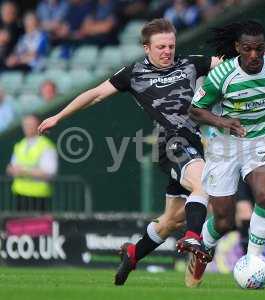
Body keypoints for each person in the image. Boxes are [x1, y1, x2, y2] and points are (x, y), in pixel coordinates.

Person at [37, 18, 222, 287]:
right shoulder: (133, 73)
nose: (167, 51)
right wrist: (59, 116)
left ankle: (133, 254)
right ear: (147, 48)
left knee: (170, 221)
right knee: (204, 182)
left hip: (193, 142)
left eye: (171, 45)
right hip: (170, 143)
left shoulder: (191, 63)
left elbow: (234, 64)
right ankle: (194, 237)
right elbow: (96, 94)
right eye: (161, 46)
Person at [187, 20, 265, 285]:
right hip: (224, 146)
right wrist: (222, 122)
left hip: (258, 141)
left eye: (260, 49)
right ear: (237, 47)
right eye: (248, 49)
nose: (254, 55)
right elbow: (195, 110)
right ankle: (202, 249)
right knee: (224, 221)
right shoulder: (223, 75)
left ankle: (253, 259)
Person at [6, 114, 58, 212]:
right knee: (20, 225)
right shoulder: (20, 144)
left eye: (30, 124)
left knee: (37, 226)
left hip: (39, 196)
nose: (27, 127)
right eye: (25, 124)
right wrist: (11, 170)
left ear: (38, 125)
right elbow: (12, 167)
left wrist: (24, 171)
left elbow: (50, 172)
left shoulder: (46, 145)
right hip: (19, 194)